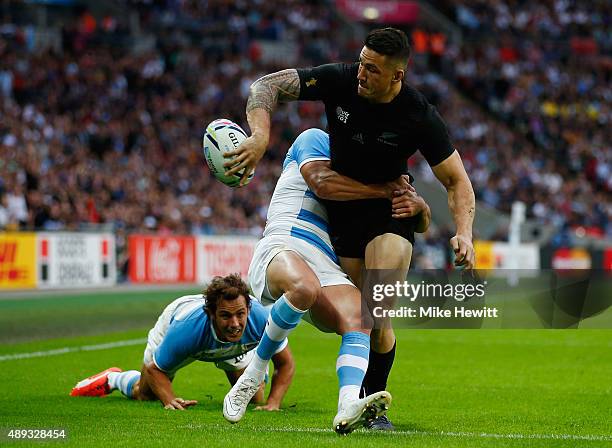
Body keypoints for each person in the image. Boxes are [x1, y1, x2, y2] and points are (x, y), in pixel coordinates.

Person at [223, 27, 475, 430]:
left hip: (389, 213)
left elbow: (457, 181)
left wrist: (463, 231)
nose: (361, 73)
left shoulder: (418, 114)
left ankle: (372, 409)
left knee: (376, 308)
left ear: (398, 75)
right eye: (361, 61)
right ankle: (355, 400)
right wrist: (259, 136)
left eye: (373, 69)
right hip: (343, 215)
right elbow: (266, 85)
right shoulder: (340, 79)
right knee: (363, 319)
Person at [223, 128, 431, 434]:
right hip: (285, 243)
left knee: (364, 317)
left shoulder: (366, 171)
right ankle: (254, 371)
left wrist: (419, 207)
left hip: (326, 264)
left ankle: (348, 405)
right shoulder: (315, 139)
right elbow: (323, 185)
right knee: (304, 287)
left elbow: (415, 218)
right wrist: (385, 189)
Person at [70, 274, 294, 411]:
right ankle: (113, 378)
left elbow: (285, 364)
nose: (235, 323)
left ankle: (254, 371)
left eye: (240, 314)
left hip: (231, 348)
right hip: (180, 327)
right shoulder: (186, 330)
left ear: (248, 310)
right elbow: (155, 370)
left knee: (254, 399)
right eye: (225, 315)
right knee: (145, 394)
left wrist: (273, 403)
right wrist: (170, 400)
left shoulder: (262, 319)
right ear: (211, 314)